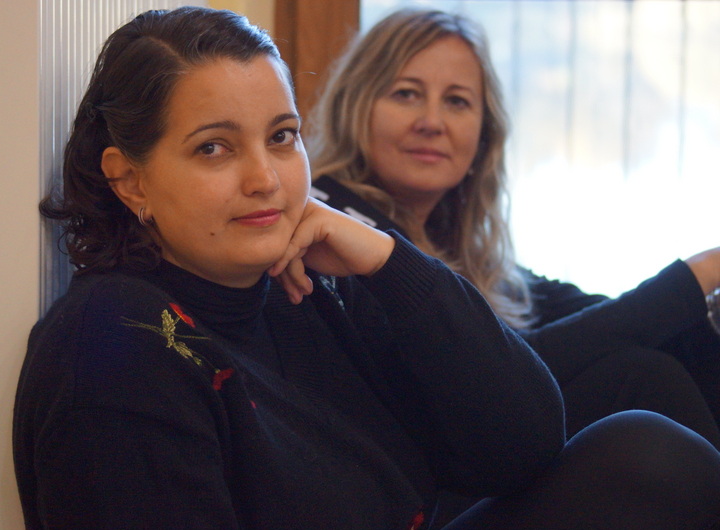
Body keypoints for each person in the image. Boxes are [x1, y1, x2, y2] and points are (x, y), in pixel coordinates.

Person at [13, 6, 720, 530]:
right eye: (214, 149)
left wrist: (388, 260)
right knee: (647, 450)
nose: (265, 179)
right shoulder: (119, 350)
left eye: (282, 137)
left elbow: (524, 445)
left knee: (644, 438)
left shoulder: (302, 285)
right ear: (130, 180)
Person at [307, 7, 720, 447]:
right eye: (406, 94)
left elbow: (599, 322)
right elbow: (504, 373)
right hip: (417, 477)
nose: (431, 122)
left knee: (677, 349)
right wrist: (700, 272)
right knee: (640, 378)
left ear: (484, 135)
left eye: (457, 101)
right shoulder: (332, 225)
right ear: (355, 105)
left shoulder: (464, 252)